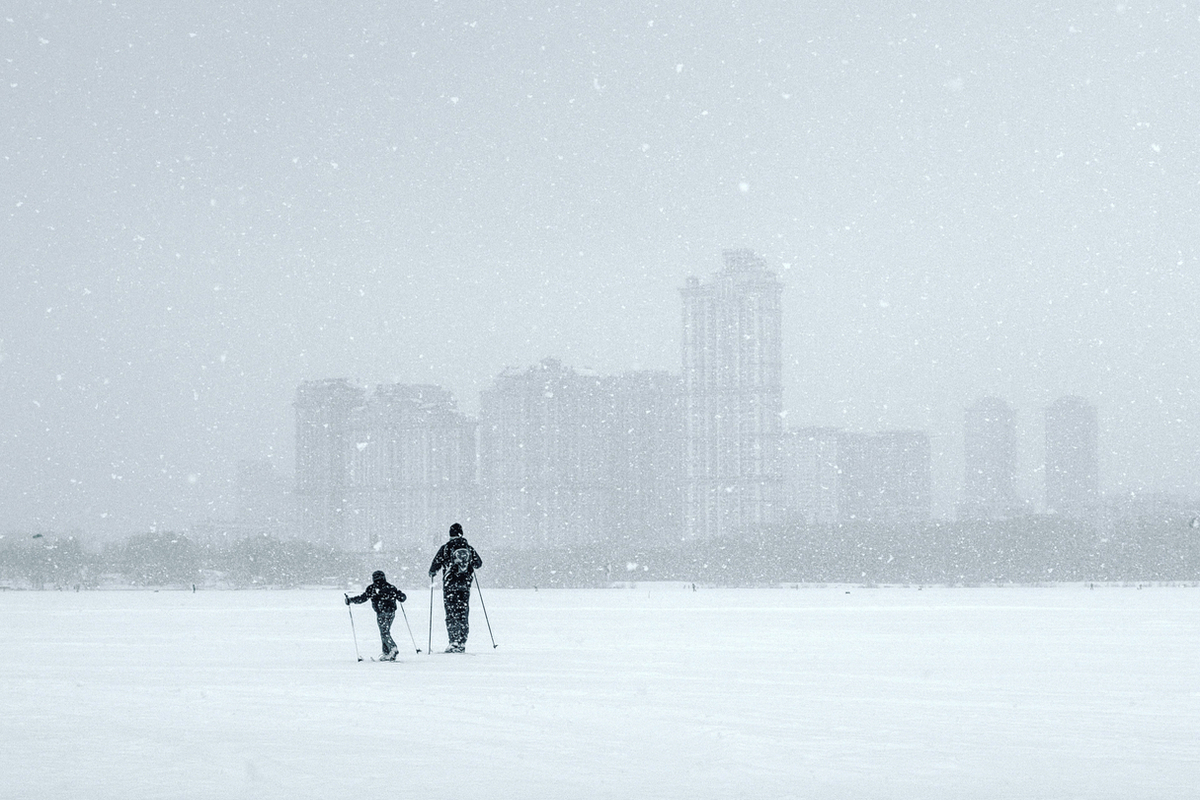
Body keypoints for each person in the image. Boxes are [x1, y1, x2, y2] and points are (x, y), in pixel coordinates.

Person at [428, 522, 482, 653]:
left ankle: (453, 641)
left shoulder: (446, 548)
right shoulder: (468, 548)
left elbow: (435, 565)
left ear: (450, 534)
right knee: (463, 613)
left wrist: (432, 572)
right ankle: (462, 642)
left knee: (451, 613)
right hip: (465, 585)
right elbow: (478, 564)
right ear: (461, 533)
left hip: (450, 585)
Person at [346, 570, 407, 661]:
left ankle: (393, 649)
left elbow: (362, 598)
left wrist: (351, 600)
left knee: (384, 632)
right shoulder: (390, 587)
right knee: (385, 631)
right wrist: (398, 595)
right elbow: (402, 598)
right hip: (391, 613)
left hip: (381, 613)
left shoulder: (372, 588)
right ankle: (387, 653)